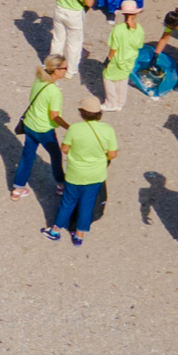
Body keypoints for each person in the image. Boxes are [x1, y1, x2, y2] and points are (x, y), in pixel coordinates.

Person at [42, 97, 118, 246]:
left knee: (67, 202)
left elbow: (64, 149)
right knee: (87, 205)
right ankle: (79, 235)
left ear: (82, 113)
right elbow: (113, 154)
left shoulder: (75, 129)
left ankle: (55, 231)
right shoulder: (108, 130)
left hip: (75, 174)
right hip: (96, 175)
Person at [11, 54, 70, 201]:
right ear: (56, 70)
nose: (66, 70)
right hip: (44, 130)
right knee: (56, 156)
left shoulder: (39, 80)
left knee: (27, 156)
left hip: (30, 125)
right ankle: (61, 185)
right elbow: (54, 115)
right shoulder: (54, 92)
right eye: (64, 68)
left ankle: (18, 188)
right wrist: (69, 127)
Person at [49, 0, 94, 79]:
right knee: (74, 44)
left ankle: (53, 66)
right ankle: (70, 70)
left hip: (60, 10)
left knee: (58, 39)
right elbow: (89, 3)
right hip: (74, 14)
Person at [101, 0, 145, 112]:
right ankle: (120, 103)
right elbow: (139, 45)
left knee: (108, 78)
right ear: (135, 14)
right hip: (130, 59)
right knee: (123, 80)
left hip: (117, 59)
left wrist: (108, 59)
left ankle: (111, 103)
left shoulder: (118, 29)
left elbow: (114, 47)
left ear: (123, 14)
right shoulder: (139, 29)